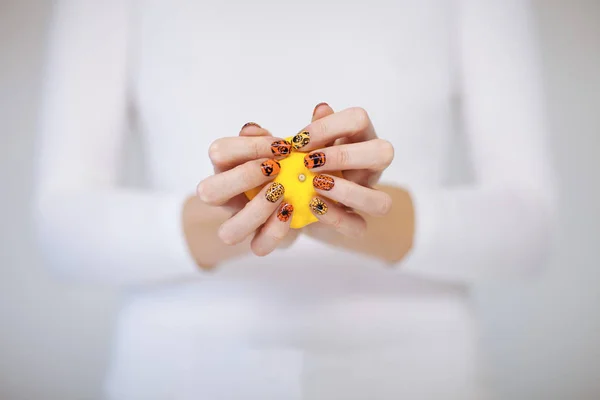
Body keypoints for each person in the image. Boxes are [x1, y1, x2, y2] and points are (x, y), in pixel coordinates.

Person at [34, 0, 555, 399]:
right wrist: (236, 217)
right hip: (179, 375)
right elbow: (64, 228)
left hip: (419, 375)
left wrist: (344, 212)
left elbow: (530, 229)